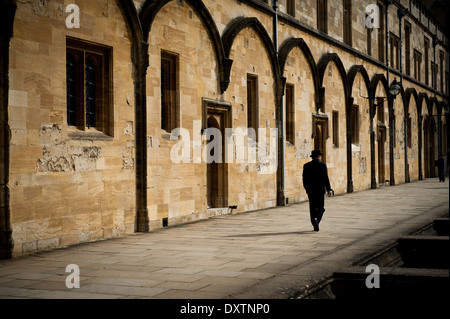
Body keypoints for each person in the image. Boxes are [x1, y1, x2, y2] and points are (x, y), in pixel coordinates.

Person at [302, 150, 333, 232]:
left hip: (311, 191)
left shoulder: (306, 166)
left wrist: (307, 189)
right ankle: (316, 219)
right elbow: (326, 178)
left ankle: (314, 223)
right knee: (321, 208)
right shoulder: (322, 165)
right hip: (320, 190)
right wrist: (329, 189)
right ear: (318, 157)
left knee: (312, 208)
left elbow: (304, 180)